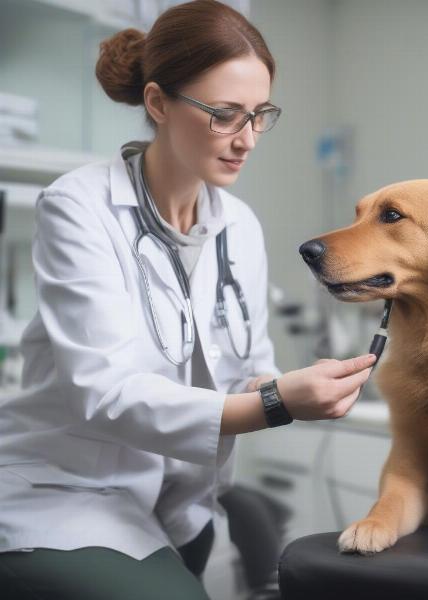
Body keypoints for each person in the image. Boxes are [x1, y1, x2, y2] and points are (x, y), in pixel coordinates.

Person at [0, 1, 376, 599]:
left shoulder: (240, 226)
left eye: (260, 115)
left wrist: (286, 385)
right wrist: (277, 404)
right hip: (62, 493)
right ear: (157, 104)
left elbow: (249, 369)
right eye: (225, 115)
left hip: (175, 500)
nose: (247, 139)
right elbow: (105, 392)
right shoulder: (79, 206)